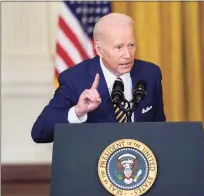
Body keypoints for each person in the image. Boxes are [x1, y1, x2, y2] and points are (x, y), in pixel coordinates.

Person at [31, 13, 166, 143]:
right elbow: (39, 132)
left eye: (131, 45)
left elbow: (159, 129)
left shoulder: (150, 74)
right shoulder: (75, 79)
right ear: (99, 49)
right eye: (118, 47)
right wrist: (78, 111)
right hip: (95, 163)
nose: (127, 55)